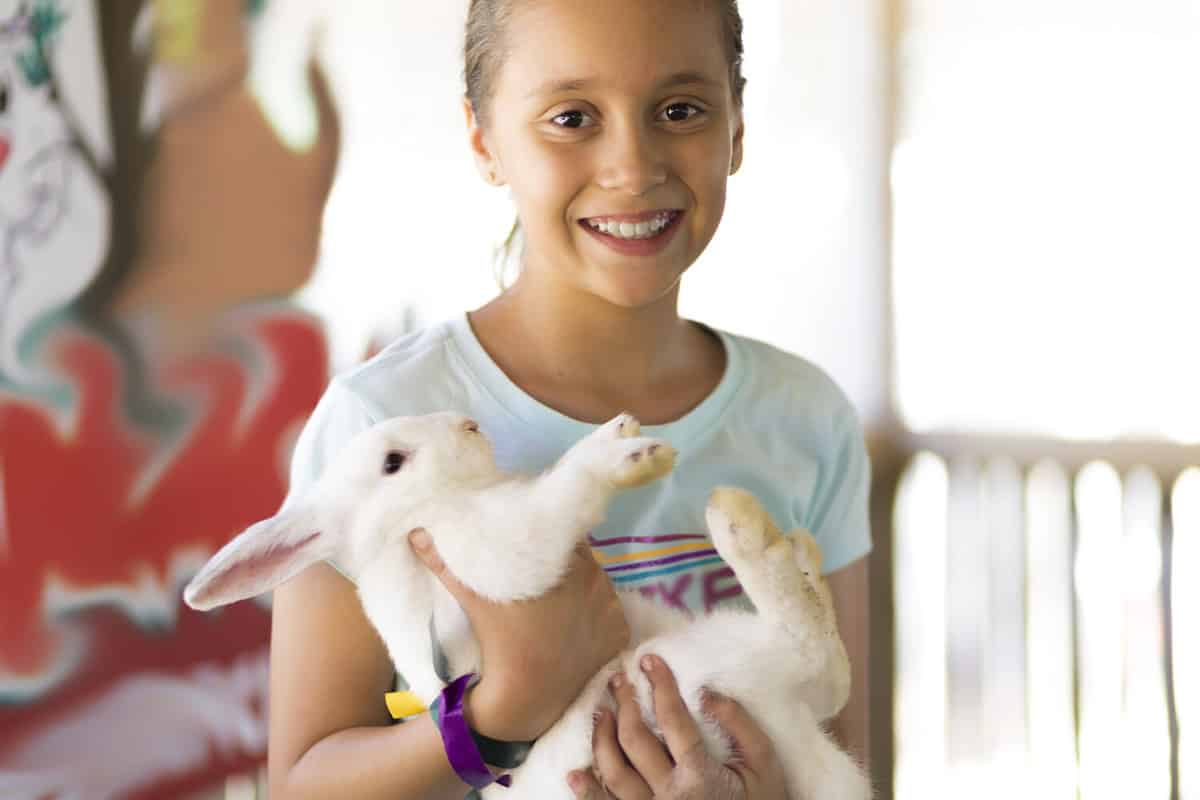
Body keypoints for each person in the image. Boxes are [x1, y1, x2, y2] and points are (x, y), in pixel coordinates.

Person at [266, 1, 872, 798]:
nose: (632, 165)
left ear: (736, 128)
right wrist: (502, 708)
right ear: (485, 140)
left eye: (681, 110)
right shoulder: (386, 427)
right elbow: (304, 783)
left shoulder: (806, 418)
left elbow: (847, 741)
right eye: (572, 117)